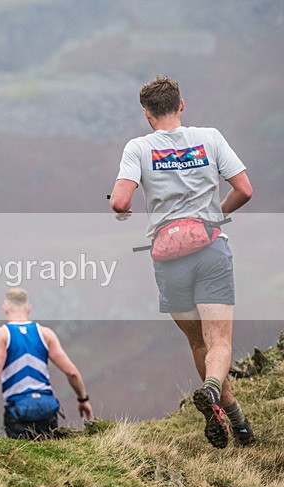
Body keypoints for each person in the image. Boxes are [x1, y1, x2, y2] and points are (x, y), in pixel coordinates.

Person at [109, 75, 255, 448]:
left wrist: (123, 212)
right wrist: (213, 218)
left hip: (169, 258)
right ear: (182, 105)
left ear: (147, 114)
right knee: (219, 340)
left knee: (199, 344)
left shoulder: (138, 148)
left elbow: (120, 202)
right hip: (210, 249)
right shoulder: (210, 138)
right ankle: (214, 393)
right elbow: (244, 190)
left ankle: (235, 418)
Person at [0, 289, 93, 440]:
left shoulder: (1, 335)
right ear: (29, 308)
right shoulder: (45, 334)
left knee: (21, 460)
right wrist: (83, 400)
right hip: (46, 409)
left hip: (18, 411)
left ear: (5, 308)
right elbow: (72, 372)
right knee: (49, 456)